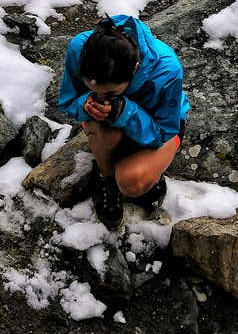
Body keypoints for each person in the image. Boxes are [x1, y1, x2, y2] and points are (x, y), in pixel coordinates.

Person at [59, 14, 189, 230]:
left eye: (110, 92)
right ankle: (106, 179)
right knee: (96, 124)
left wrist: (124, 112)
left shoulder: (167, 69)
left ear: (135, 69)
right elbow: (67, 102)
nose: (101, 98)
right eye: (93, 89)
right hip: (111, 127)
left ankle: (147, 174)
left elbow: (164, 130)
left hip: (159, 130)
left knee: (133, 181)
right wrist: (85, 104)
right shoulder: (80, 49)